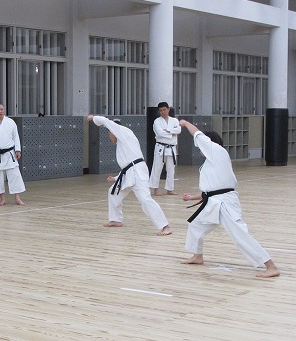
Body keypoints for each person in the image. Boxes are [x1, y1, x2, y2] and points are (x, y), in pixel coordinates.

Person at [178, 119, 279, 278]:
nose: (199, 148)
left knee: (239, 234)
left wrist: (185, 123)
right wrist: (192, 197)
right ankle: (197, 256)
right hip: (214, 201)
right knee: (196, 226)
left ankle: (270, 265)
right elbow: (211, 190)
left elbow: (197, 134)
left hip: (225, 202)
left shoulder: (217, 151)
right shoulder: (211, 162)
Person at [87, 115, 172, 236]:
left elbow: (106, 122)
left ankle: (165, 226)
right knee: (113, 192)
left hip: (137, 172)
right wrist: (116, 178)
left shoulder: (123, 132)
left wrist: (94, 117)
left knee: (145, 199)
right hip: (130, 173)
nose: (109, 137)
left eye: (109, 133)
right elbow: (127, 165)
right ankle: (116, 220)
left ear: (112, 131)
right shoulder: (123, 141)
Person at [0, 102, 26, 206]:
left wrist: (18, 150)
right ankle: (2, 199)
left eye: (2, 109)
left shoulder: (10, 122)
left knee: (15, 175)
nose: (0, 111)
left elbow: (16, 137)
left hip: (9, 153)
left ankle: (17, 198)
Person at [148, 101, 181, 196]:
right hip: (160, 147)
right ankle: (155, 189)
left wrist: (168, 131)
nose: (163, 112)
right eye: (160, 110)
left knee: (171, 169)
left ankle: (170, 189)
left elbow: (178, 130)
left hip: (171, 148)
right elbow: (160, 133)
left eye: (164, 110)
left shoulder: (174, 120)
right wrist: (172, 133)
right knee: (157, 168)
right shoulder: (157, 121)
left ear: (168, 109)